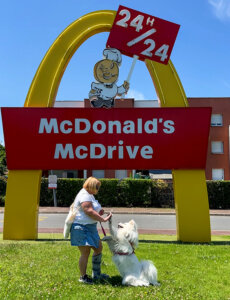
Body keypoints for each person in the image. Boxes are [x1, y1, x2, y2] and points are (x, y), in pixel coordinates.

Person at [70, 176, 112, 284]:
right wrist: (102, 219)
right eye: (97, 186)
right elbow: (88, 210)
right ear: (92, 186)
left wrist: (100, 211)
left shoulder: (90, 195)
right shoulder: (84, 194)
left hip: (90, 227)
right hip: (81, 227)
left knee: (98, 248)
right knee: (85, 252)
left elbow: (93, 209)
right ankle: (83, 277)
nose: (98, 189)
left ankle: (96, 274)